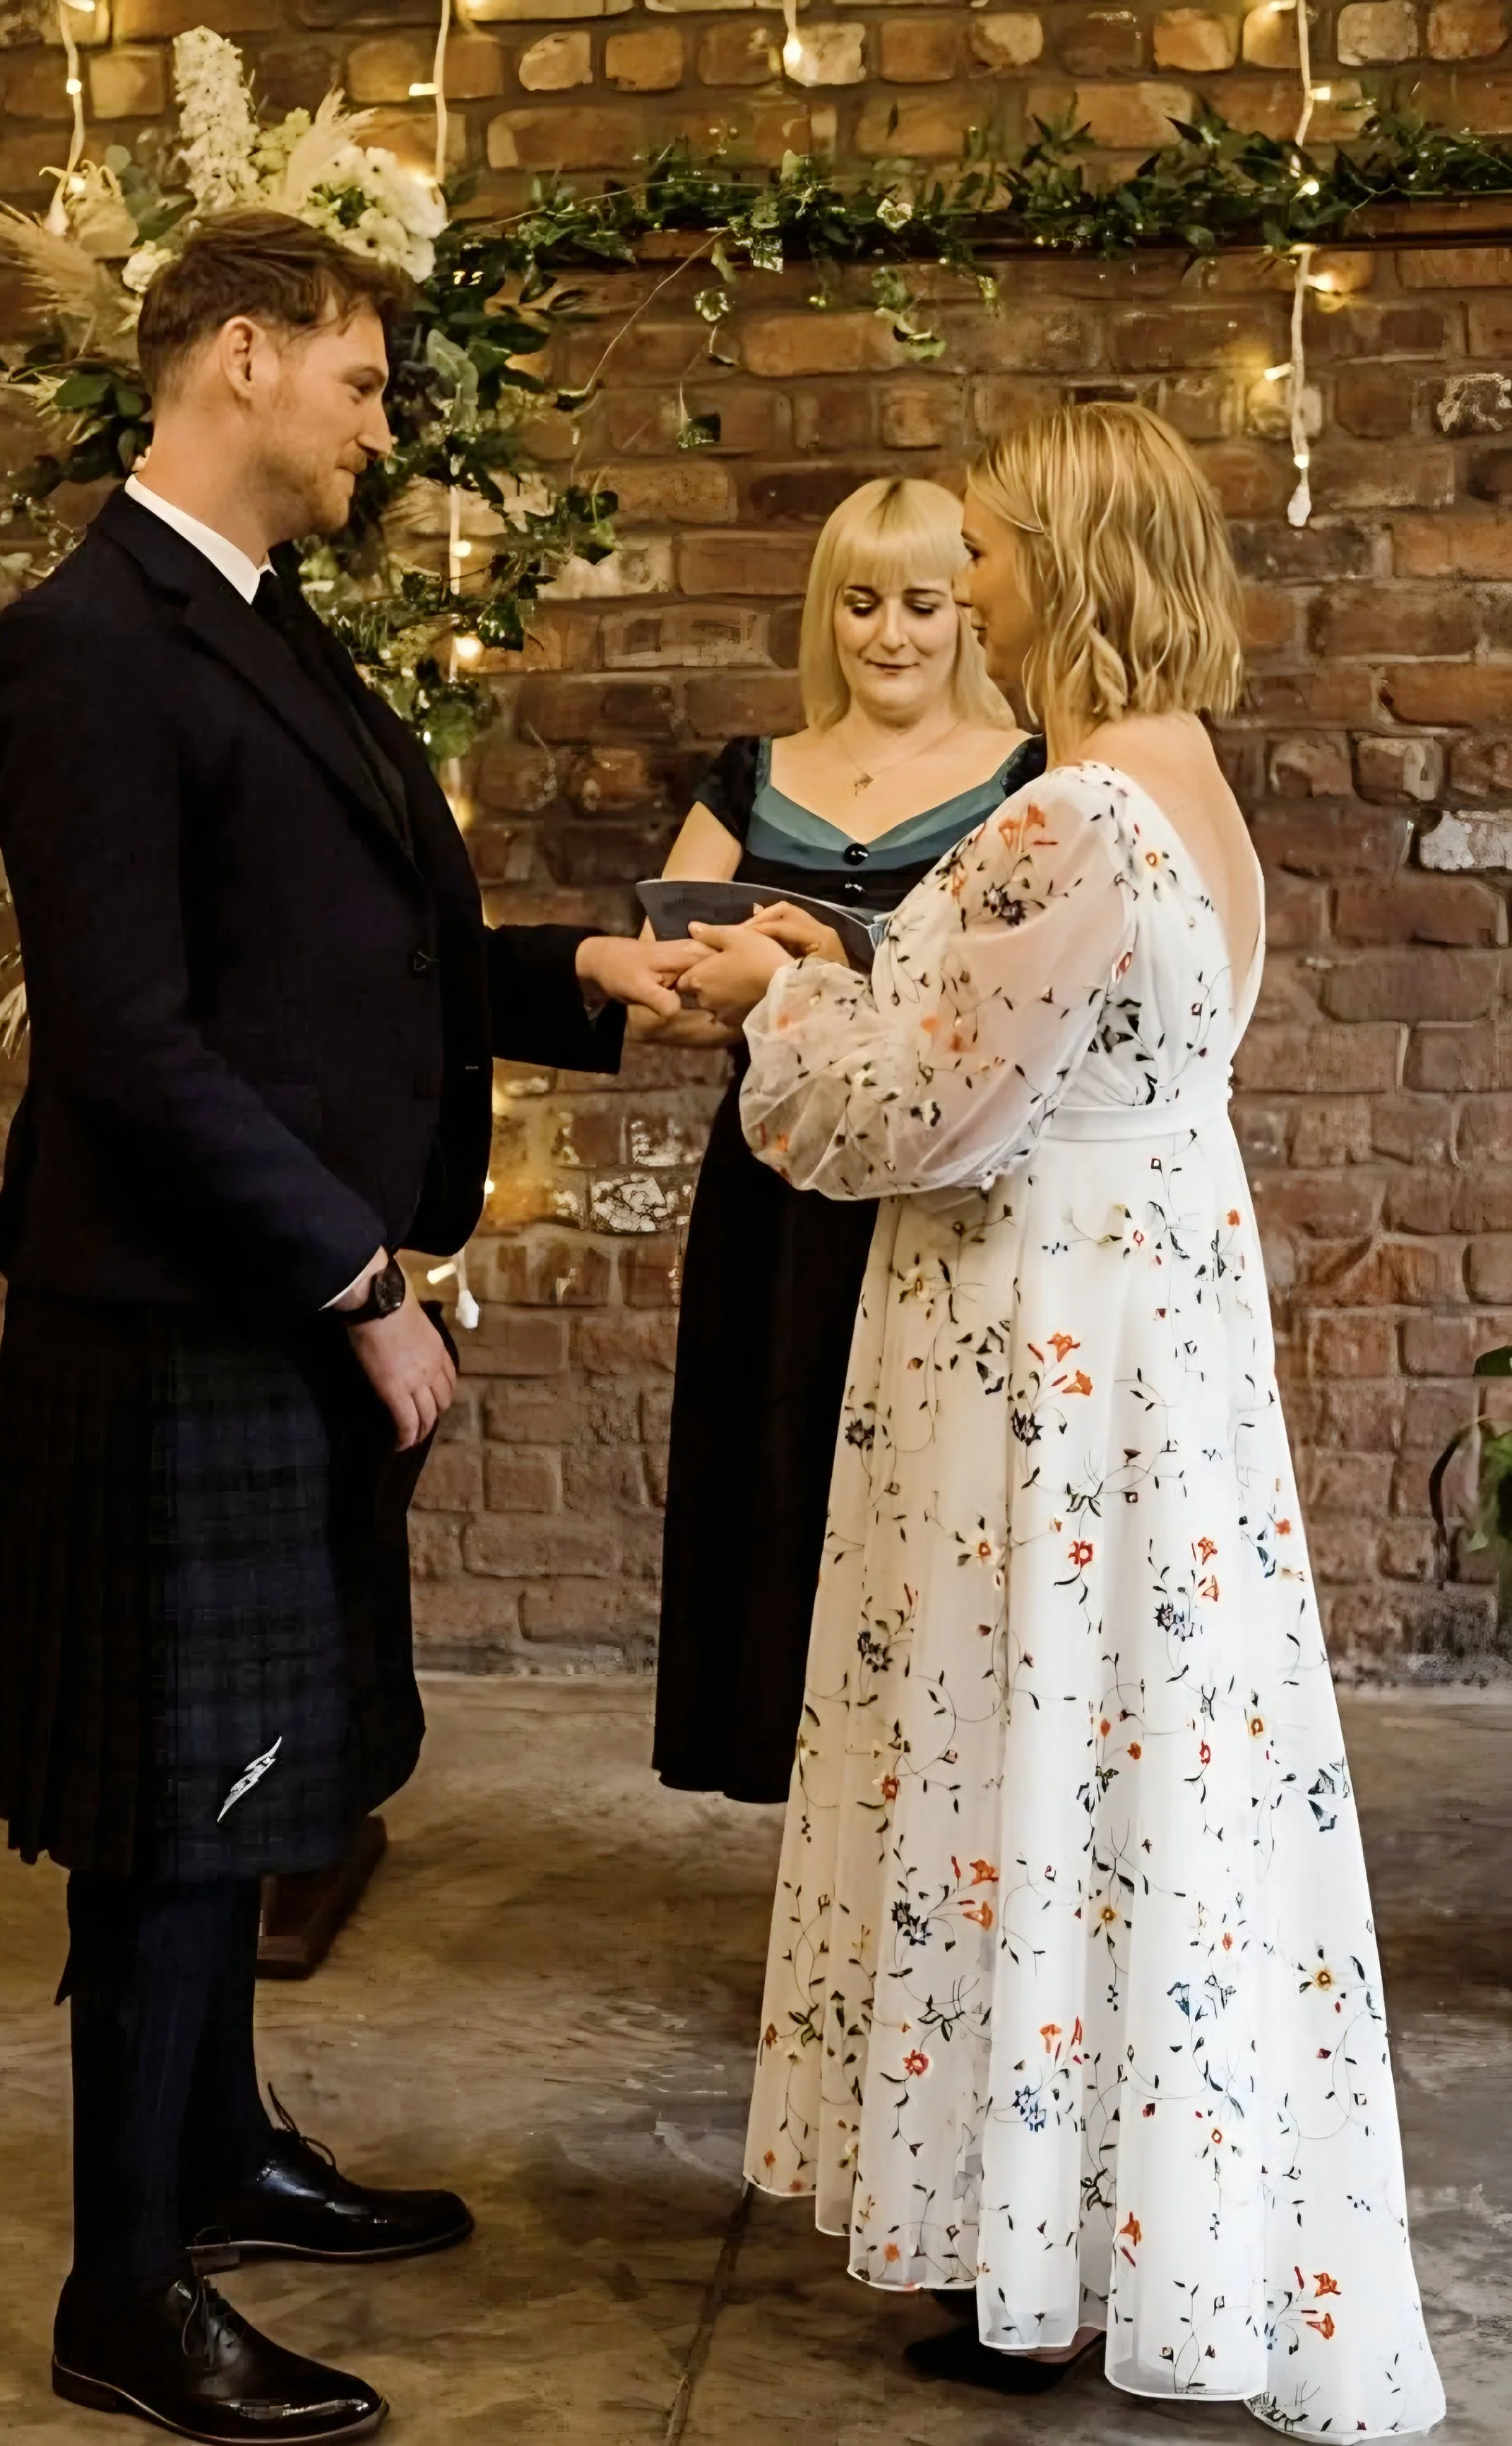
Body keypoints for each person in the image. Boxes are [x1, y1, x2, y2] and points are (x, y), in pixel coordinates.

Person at [0, 209, 694, 2444]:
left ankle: (220, 2148)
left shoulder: (259, 623)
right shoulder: (86, 645)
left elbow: (330, 962)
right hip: (186, 1309)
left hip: (257, 1299)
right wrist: (360, 1278)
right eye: (364, 383)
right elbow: (129, 1044)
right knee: (176, 1821)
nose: (386, 425)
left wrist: (569, 970)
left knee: (253, 1781)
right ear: (246, 357)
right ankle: (122, 2283)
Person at [681, 403, 1445, 2435]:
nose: (977, 578)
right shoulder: (1188, 796)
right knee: (1138, 1784)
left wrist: (776, 996)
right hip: (1154, 1338)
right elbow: (1052, 1038)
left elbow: (895, 1116)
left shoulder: (1063, 816)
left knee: (1022, 1756)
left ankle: (1031, 2268)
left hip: (1027, 1351)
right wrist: (861, 958)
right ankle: (1108, 2222)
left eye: (999, 549)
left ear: (1072, 570)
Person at [647, 478, 1040, 1805]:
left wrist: (827, 974)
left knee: (926, 1511)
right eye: (862, 604)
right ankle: (810, 1861)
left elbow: (1009, 1014)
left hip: (932, 1191)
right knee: (781, 1497)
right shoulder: (755, 773)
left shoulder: (1031, 778)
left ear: (968, 614)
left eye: (925, 603)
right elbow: (673, 976)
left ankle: (932, 1841)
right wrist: (715, 976)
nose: (891, 635)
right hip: (773, 1191)